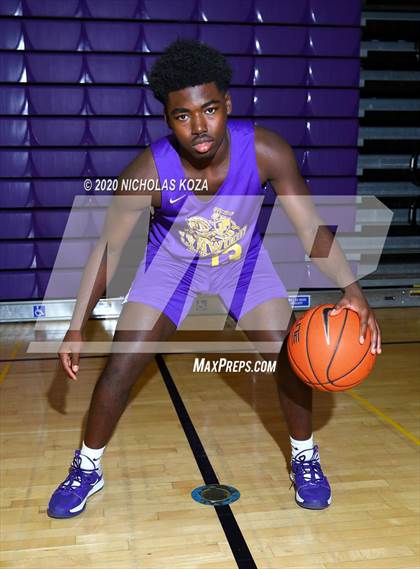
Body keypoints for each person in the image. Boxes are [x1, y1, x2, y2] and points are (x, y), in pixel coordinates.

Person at [47, 39, 381, 518]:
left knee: (288, 353)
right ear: (167, 119)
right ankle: (88, 466)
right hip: (171, 269)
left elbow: (311, 230)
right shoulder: (146, 173)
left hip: (241, 264)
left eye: (209, 110)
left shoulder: (266, 151)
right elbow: (108, 249)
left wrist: (353, 289)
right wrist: (78, 325)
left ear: (228, 105)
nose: (199, 127)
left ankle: (304, 457)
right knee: (121, 364)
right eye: (183, 115)